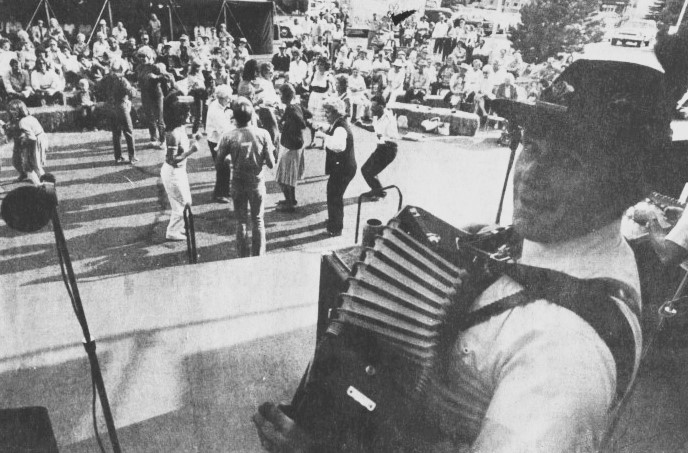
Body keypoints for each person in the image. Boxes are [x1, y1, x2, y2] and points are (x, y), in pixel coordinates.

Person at [252, 39, 688, 453]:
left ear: (628, 188)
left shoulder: (565, 357)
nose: (532, 173)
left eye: (570, 161)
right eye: (533, 147)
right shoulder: (546, 244)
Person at [216, 99, 275, 257]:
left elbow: (218, 161)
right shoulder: (263, 134)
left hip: (237, 181)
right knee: (258, 220)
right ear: (251, 116)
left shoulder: (228, 136)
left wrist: (231, 160)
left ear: (234, 118)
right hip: (256, 181)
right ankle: (258, 255)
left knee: (241, 221)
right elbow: (271, 163)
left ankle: (242, 256)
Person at [161, 92, 202, 241]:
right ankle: (172, 232)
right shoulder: (172, 134)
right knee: (182, 203)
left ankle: (178, 227)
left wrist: (193, 140)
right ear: (179, 115)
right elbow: (171, 160)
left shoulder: (181, 129)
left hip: (180, 171)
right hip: (173, 172)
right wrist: (191, 151)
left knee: (186, 201)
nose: (189, 114)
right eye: (186, 112)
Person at [312, 97, 356, 237]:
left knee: (334, 196)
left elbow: (338, 147)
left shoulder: (340, 128)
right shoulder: (339, 123)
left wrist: (323, 136)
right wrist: (323, 129)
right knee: (333, 194)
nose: (326, 115)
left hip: (343, 169)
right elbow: (331, 129)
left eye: (328, 113)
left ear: (336, 113)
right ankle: (334, 219)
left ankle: (336, 228)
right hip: (343, 167)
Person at [275, 83, 311, 212]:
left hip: (292, 146)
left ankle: (290, 204)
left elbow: (301, 123)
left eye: (280, 94)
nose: (279, 97)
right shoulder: (296, 106)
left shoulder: (291, 108)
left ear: (285, 95)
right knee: (289, 176)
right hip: (296, 145)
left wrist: (289, 127)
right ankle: (291, 200)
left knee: (283, 178)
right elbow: (309, 114)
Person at [359, 94, 398, 202]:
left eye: (374, 106)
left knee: (369, 171)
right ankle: (377, 190)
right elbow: (374, 128)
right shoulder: (377, 115)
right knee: (366, 170)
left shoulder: (388, 118)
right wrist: (361, 125)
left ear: (381, 106)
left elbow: (386, 135)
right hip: (381, 148)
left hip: (388, 149)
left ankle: (379, 193)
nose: (371, 108)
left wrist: (380, 138)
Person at [6, 99, 49, 185]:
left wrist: (31, 153)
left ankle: (45, 184)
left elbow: (32, 138)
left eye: (14, 109)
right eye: (10, 109)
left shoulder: (23, 122)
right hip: (32, 140)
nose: (11, 111)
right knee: (17, 162)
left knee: (35, 166)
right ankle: (24, 175)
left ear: (21, 109)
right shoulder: (27, 118)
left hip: (33, 142)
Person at [102, 61, 137, 164]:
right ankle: (132, 156)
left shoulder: (106, 79)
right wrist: (133, 89)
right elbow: (131, 93)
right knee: (128, 131)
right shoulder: (122, 79)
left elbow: (99, 89)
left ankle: (118, 157)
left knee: (116, 133)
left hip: (110, 107)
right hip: (121, 106)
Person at [205, 85, 235, 204]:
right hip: (217, 141)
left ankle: (224, 191)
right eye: (228, 98)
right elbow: (225, 130)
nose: (230, 100)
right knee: (223, 167)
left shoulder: (216, 104)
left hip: (217, 139)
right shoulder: (216, 112)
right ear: (222, 98)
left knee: (225, 168)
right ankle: (219, 194)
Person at [307, 56, 334, 147]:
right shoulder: (315, 73)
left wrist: (328, 98)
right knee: (312, 120)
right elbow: (308, 85)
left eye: (322, 65)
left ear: (326, 65)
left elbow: (333, 90)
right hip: (313, 98)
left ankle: (324, 142)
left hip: (323, 99)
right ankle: (312, 141)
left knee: (323, 121)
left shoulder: (328, 76)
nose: (319, 66)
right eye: (318, 64)